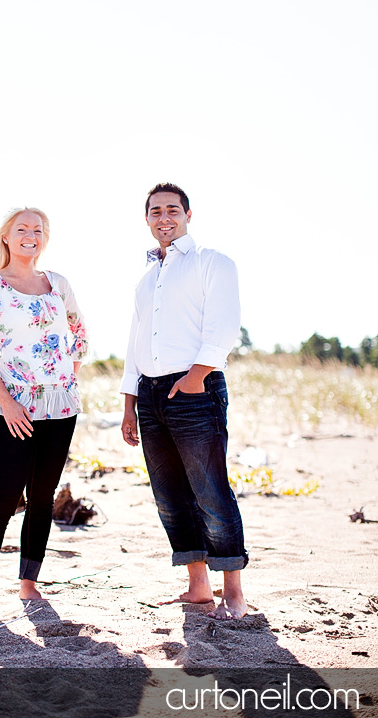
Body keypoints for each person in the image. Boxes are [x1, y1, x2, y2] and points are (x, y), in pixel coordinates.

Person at [120, 183, 248, 620]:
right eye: (155, 211)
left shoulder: (212, 262)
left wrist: (196, 378)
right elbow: (135, 341)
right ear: (147, 219)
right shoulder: (145, 277)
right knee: (169, 495)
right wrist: (129, 401)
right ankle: (198, 587)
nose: (164, 218)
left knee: (210, 489)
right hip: (150, 394)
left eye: (172, 210)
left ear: (188, 215)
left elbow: (225, 325)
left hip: (195, 387)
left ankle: (233, 589)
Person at [0, 207, 88, 617]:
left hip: (60, 404)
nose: (30, 236)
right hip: (13, 404)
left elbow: (79, 332)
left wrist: (65, 374)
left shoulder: (58, 284)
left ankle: (28, 584)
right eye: (22, 229)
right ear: (6, 237)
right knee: (3, 496)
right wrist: (7, 400)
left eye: (38, 230)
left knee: (41, 497)